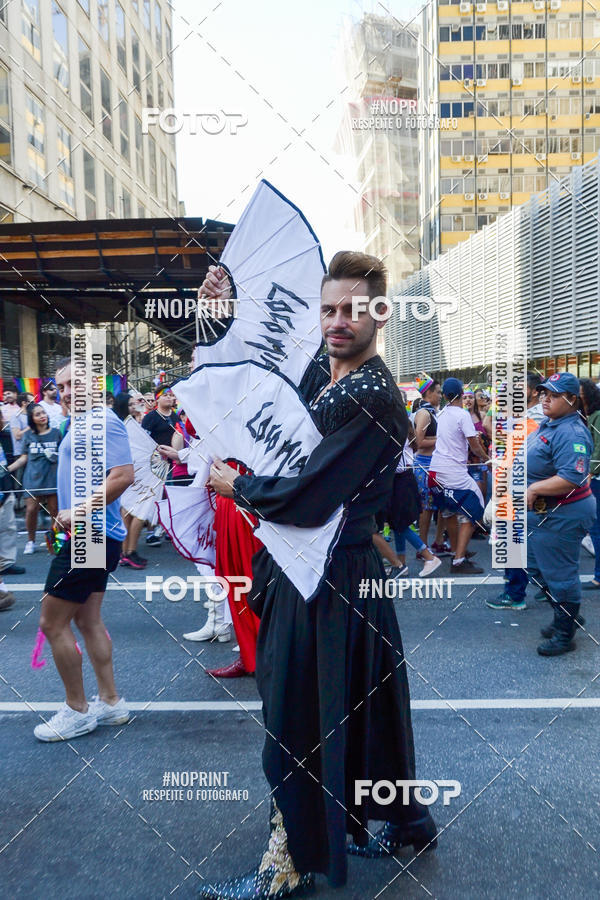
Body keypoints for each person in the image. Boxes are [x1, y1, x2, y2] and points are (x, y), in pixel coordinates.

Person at [203, 251, 437, 899]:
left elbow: (310, 495)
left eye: (352, 311)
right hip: (322, 571)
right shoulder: (327, 372)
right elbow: (264, 366)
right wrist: (222, 313)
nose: (337, 321)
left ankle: (287, 863)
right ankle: (407, 818)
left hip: (328, 579)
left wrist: (237, 485)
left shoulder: (371, 395)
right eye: (329, 309)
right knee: (367, 705)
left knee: (295, 719)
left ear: (379, 315)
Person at [33, 357, 134, 741]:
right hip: (90, 534)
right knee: (87, 620)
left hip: (89, 535)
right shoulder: (78, 422)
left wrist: (77, 511)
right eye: (62, 386)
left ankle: (77, 710)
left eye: (77, 383)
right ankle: (110, 703)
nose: (69, 392)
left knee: (51, 623)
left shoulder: (102, 419)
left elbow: (123, 475)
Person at [518, 372, 596, 656]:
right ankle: (568, 615)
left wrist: (535, 487)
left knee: (560, 574)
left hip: (562, 513)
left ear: (572, 399)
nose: (545, 399)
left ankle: (565, 633)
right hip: (543, 513)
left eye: (552, 395)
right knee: (537, 567)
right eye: (543, 393)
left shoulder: (572, 432)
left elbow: (572, 477)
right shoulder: (550, 424)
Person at [487, 371, 545, 611]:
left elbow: (524, 459)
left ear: (533, 391)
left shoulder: (535, 419)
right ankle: (547, 586)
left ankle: (514, 595)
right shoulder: (526, 417)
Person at [428, 378, 490, 574]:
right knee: (475, 507)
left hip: (435, 471)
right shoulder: (463, 415)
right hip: (452, 472)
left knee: (448, 512)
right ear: (462, 395)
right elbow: (474, 445)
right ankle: (459, 560)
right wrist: (487, 459)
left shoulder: (441, 413)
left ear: (445, 396)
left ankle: (457, 552)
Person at [7, 404, 61, 555]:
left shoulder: (57, 433)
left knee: (54, 511)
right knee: (31, 510)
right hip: (33, 477)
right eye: (37, 414)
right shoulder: (28, 436)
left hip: (52, 477)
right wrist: (8, 469)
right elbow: (24, 457)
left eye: (43, 413)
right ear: (32, 419)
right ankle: (31, 541)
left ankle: (56, 541)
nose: (42, 416)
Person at [413, 374, 448, 555]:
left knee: (441, 504)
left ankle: (439, 540)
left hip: (436, 464)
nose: (441, 395)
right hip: (424, 465)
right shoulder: (424, 414)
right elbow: (417, 442)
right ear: (429, 393)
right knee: (426, 508)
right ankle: (423, 546)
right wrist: (441, 440)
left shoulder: (434, 412)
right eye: (438, 392)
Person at [578, 378, 600, 591]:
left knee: (597, 529)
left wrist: (591, 472)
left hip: (596, 479)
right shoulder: (584, 416)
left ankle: (599, 576)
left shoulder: (596, 415)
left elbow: (599, 447)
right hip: (591, 477)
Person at [0, 408, 20, 610]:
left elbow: (5, 466)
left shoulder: (4, 437)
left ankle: (2, 590)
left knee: (7, 531)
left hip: (4, 492)